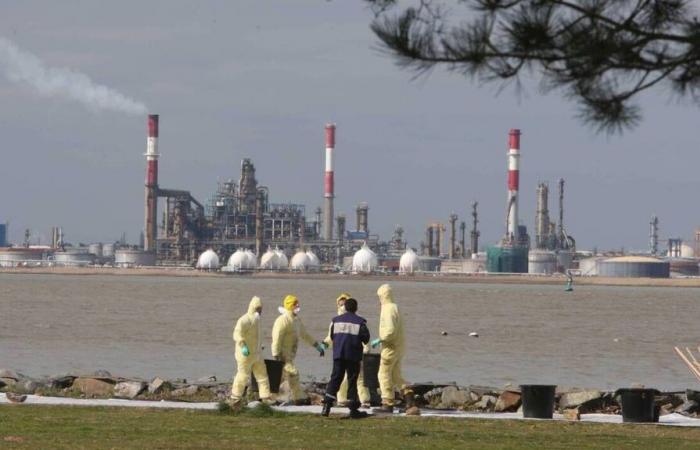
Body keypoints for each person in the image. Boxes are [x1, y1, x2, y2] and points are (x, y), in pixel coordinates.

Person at [321, 297, 371, 418]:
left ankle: (326, 407)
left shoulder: (336, 321)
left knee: (335, 378)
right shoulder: (360, 322)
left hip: (338, 355)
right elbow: (366, 338)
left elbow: (332, 336)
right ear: (356, 308)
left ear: (345, 308)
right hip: (353, 356)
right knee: (352, 381)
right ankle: (353, 409)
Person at [271, 294, 325, 405]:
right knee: (293, 374)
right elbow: (276, 338)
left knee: (281, 378)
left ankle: (273, 398)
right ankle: (298, 398)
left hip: (290, 356)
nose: (298, 305)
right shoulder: (282, 321)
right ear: (290, 306)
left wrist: (317, 346)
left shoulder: (296, 321)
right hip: (282, 355)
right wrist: (276, 354)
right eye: (296, 304)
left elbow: (305, 335)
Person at [370, 283, 412, 413]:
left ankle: (387, 403)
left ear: (382, 296)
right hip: (400, 346)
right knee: (396, 375)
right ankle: (410, 398)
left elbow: (390, 330)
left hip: (390, 347)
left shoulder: (387, 309)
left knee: (383, 374)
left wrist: (380, 339)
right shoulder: (395, 307)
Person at [230, 296, 271, 408]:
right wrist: (243, 345)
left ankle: (265, 398)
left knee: (262, 375)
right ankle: (235, 398)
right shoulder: (244, 320)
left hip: (257, 354)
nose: (259, 311)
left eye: (260, 309)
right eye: (257, 309)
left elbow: (257, 337)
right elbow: (237, 334)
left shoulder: (258, 322)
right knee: (243, 376)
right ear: (252, 308)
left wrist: (260, 346)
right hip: (245, 355)